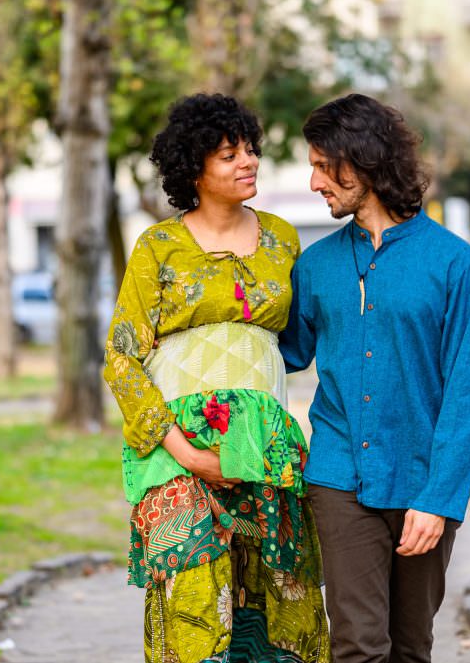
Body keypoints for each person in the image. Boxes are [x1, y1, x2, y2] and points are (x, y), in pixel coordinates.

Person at [103, 93, 330, 663]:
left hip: (265, 448)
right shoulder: (158, 247)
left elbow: (297, 341)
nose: (248, 161)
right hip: (180, 449)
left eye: (250, 150)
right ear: (194, 169)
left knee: (280, 602)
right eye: (229, 155)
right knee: (195, 606)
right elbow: (122, 358)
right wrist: (187, 452)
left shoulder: (283, 239)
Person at [279, 94, 470, 663]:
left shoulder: (453, 264)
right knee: (357, 645)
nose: (314, 182)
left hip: (422, 480)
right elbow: (282, 354)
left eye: (325, 166)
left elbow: (465, 395)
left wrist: (439, 500)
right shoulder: (316, 265)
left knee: (410, 647)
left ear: (365, 163)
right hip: (338, 476)